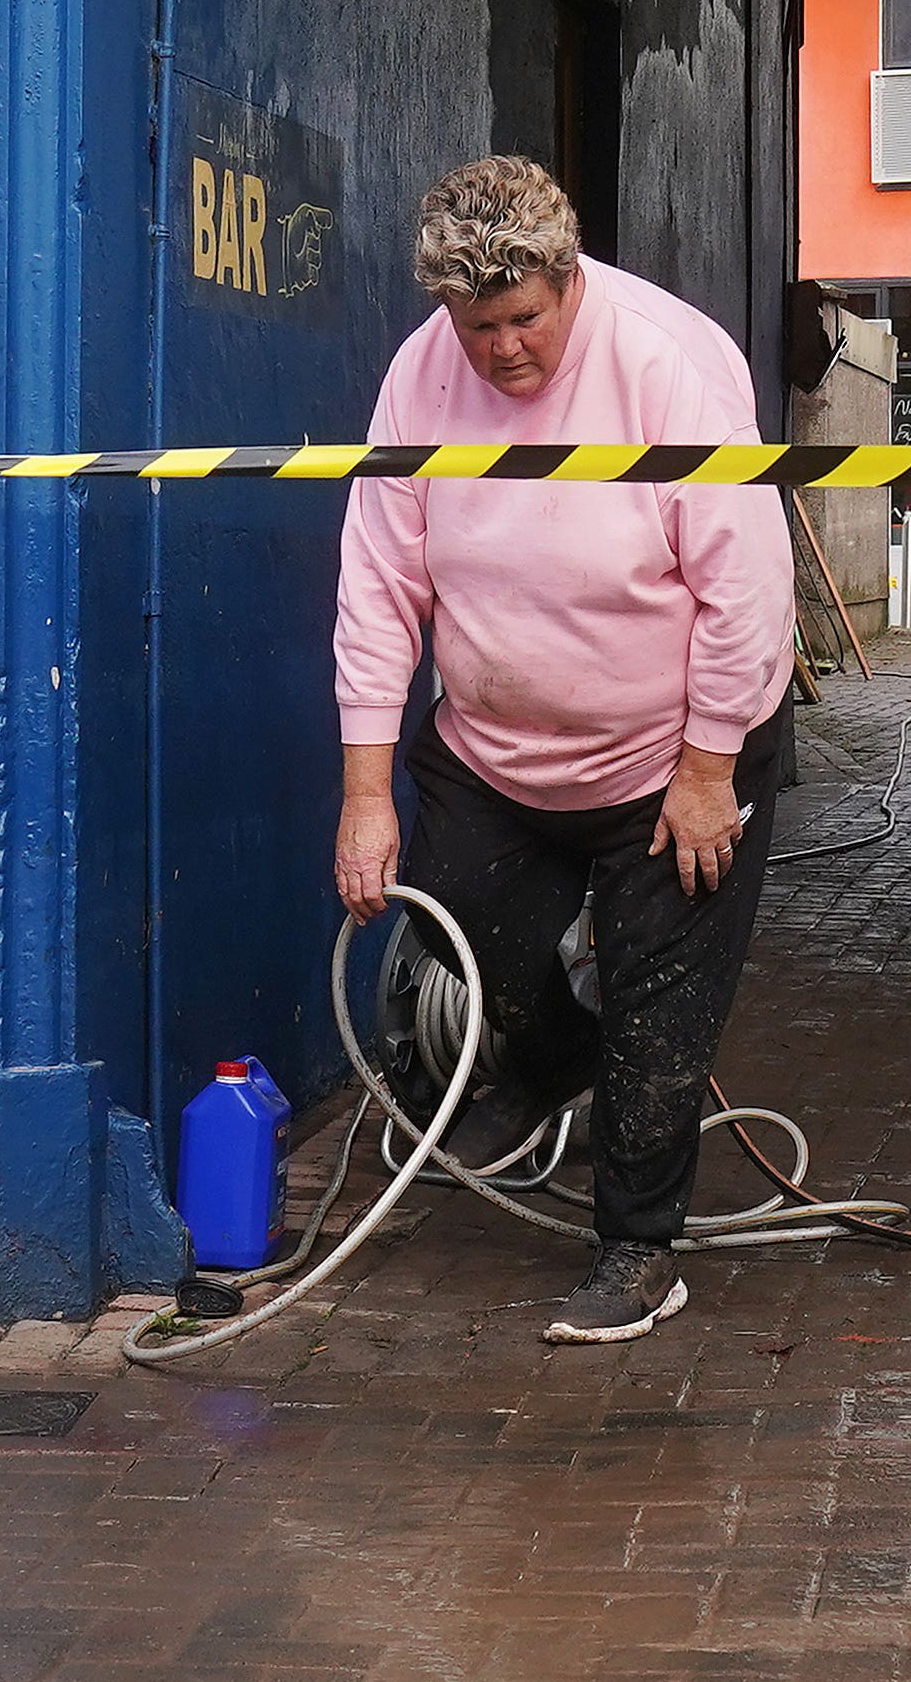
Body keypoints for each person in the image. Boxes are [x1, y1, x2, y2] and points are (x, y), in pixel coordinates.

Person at [329, 156, 797, 1345]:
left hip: (676, 748)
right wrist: (366, 796)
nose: (501, 352)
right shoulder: (419, 377)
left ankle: (637, 1251)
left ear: (566, 274)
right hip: (494, 747)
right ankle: (555, 1069)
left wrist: (706, 776)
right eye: (474, 325)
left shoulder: (669, 366)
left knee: (661, 998)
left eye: (524, 319)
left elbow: (747, 591)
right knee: (473, 957)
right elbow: (379, 587)